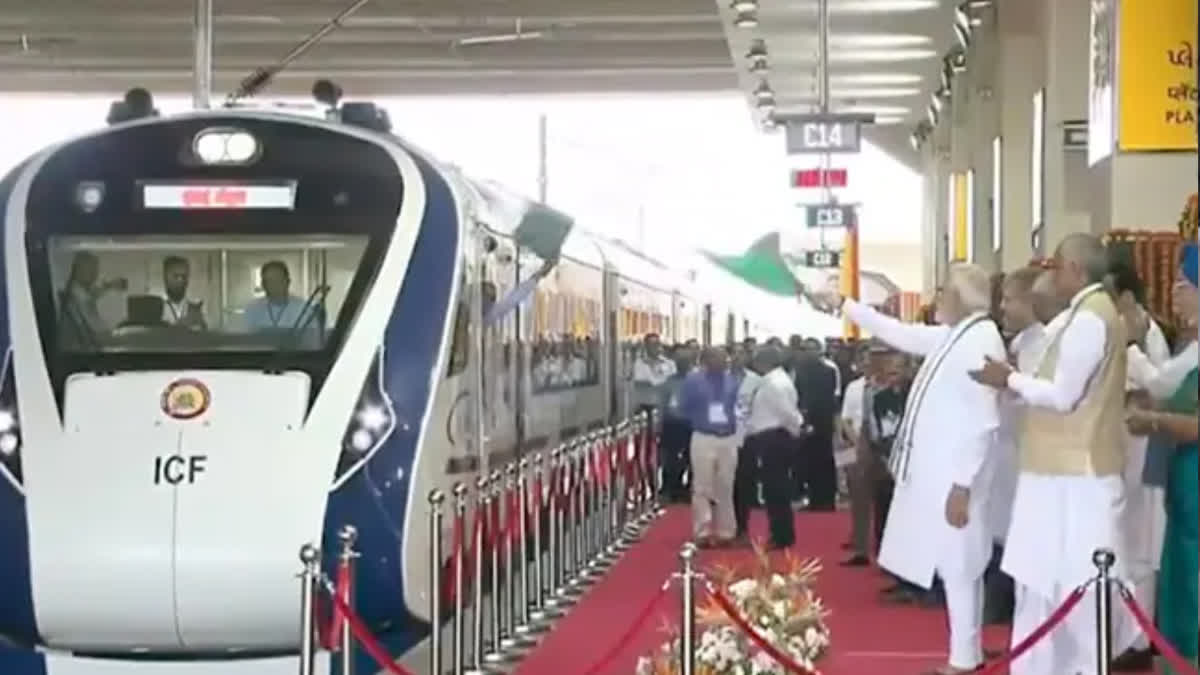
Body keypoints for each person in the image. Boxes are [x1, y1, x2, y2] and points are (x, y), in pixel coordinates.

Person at [805, 262, 1005, 675]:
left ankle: (965, 659)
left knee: (960, 566)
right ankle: (966, 654)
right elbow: (899, 333)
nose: (937, 297)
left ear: (961, 299)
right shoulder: (957, 335)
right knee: (955, 567)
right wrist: (845, 304)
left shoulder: (979, 341)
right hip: (944, 475)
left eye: (944, 290)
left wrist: (963, 485)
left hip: (957, 478)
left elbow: (985, 422)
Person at [970, 233, 1136, 675]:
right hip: (1058, 473)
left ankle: (1079, 667)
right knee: (1041, 584)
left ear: (1077, 271)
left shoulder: (1089, 319)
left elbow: (1064, 396)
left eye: (1057, 265)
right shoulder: (1086, 314)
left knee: (1075, 587)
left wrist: (1009, 379)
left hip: (1075, 476)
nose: (1051, 273)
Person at [1125, 244, 1199, 675]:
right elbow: (1164, 387)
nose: (1174, 295)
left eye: (1183, 286)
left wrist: (1152, 420)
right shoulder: (1191, 349)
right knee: (1178, 582)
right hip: (1183, 491)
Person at [1108, 258, 1172, 670]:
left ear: (1127, 298)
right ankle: (1126, 633)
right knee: (1126, 545)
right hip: (1122, 450)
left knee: (1143, 546)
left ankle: (1139, 637)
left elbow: (1163, 389)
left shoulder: (1148, 338)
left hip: (1147, 452)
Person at [741, 345, 805, 549]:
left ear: (765, 362)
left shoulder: (775, 384)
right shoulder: (772, 381)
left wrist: (796, 431)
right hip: (770, 437)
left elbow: (788, 413)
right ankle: (779, 532)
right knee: (772, 489)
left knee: (776, 489)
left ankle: (781, 535)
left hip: (774, 438)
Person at [678, 346, 740, 548]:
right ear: (706, 360)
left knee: (726, 486)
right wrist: (700, 420)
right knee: (702, 486)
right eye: (719, 358)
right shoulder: (693, 380)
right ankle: (702, 532)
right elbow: (683, 407)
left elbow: (738, 407)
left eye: (725, 358)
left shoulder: (732, 380)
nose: (724, 362)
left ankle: (726, 532)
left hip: (728, 438)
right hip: (704, 436)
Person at [793, 338, 840, 511]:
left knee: (824, 461)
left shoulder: (829, 371)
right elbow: (798, 395)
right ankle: (814, 498)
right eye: (806, 349)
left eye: (812, 349)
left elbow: (831, 397)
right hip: (806, 420)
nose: (808, 353)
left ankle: (826, 499)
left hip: (823, 421)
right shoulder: (800, 371)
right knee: (809, 462)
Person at [241, 261, 324, 341]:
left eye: (278, 280)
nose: (274, 285)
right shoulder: (252, 308)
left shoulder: (303, 309)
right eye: (270, 281)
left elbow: (313, 340)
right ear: (263, 284)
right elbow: (244, 339)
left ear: (288, 282)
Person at [733, 344, 764, 542]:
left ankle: (743, 526)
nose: (737, 358)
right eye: (733, 355)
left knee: (745, 483)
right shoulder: (720, 379)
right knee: (725, 485)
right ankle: (726, 526)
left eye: (741, 355)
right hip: (724, 436)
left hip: (749, 437)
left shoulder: (757, 381)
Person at [658, 347, 694, 503]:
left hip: (691, 425)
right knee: (671, 459)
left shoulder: (697, 381)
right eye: (679, 362)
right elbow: (663, 404)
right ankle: (671, 487)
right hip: (672, 424)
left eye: (685, 362)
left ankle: (689, 489)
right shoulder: (669, 382)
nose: (682, 365)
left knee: (691, 459)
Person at [160, 256, 206, 329]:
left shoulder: (196, 311)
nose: (180, 281)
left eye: (184, 276)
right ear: (165, 278)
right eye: (176, 276)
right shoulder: (156, 310)